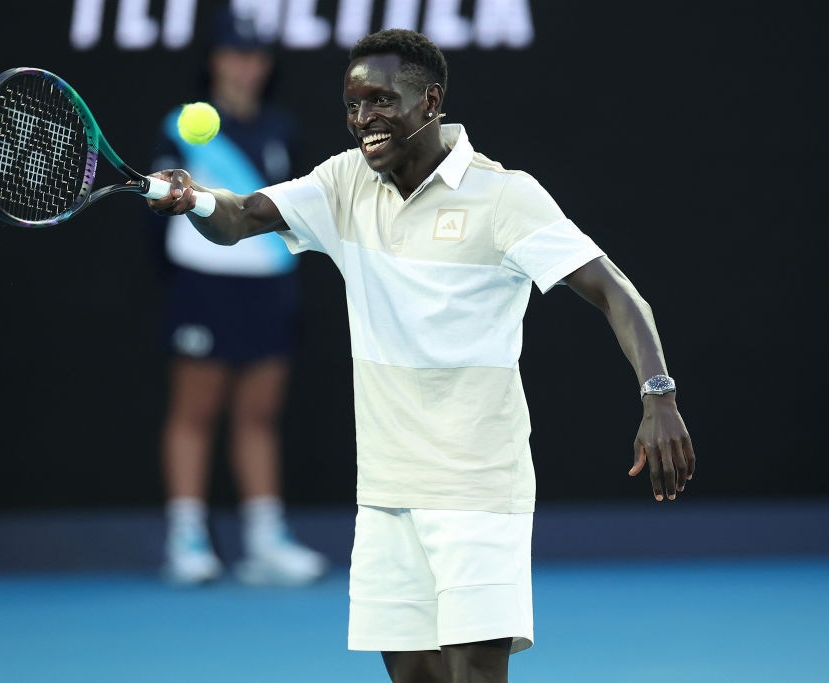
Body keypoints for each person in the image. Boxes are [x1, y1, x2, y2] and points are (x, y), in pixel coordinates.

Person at [147, 28, 695, 683]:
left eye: (380, 101)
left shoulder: (505, 195)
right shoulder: (345, 182)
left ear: (430, 100)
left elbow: (613, 288)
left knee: (474, 670)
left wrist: (657, 392)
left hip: (476, 485)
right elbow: (242, 216)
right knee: (414, 675)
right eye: (353, 105)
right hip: (386, 488)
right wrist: (197, 199)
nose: (362, 121)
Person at [152, 11, 326, 586]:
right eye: (234, 55)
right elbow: (162, 211)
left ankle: (264, 540)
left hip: (269, 286)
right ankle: (187, 539)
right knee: (195, 413)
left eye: (255, 57)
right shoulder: (181, 127)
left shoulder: (282, 128)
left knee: (258, 416)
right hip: (203, 284)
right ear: (215, 61)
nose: (245, 68)